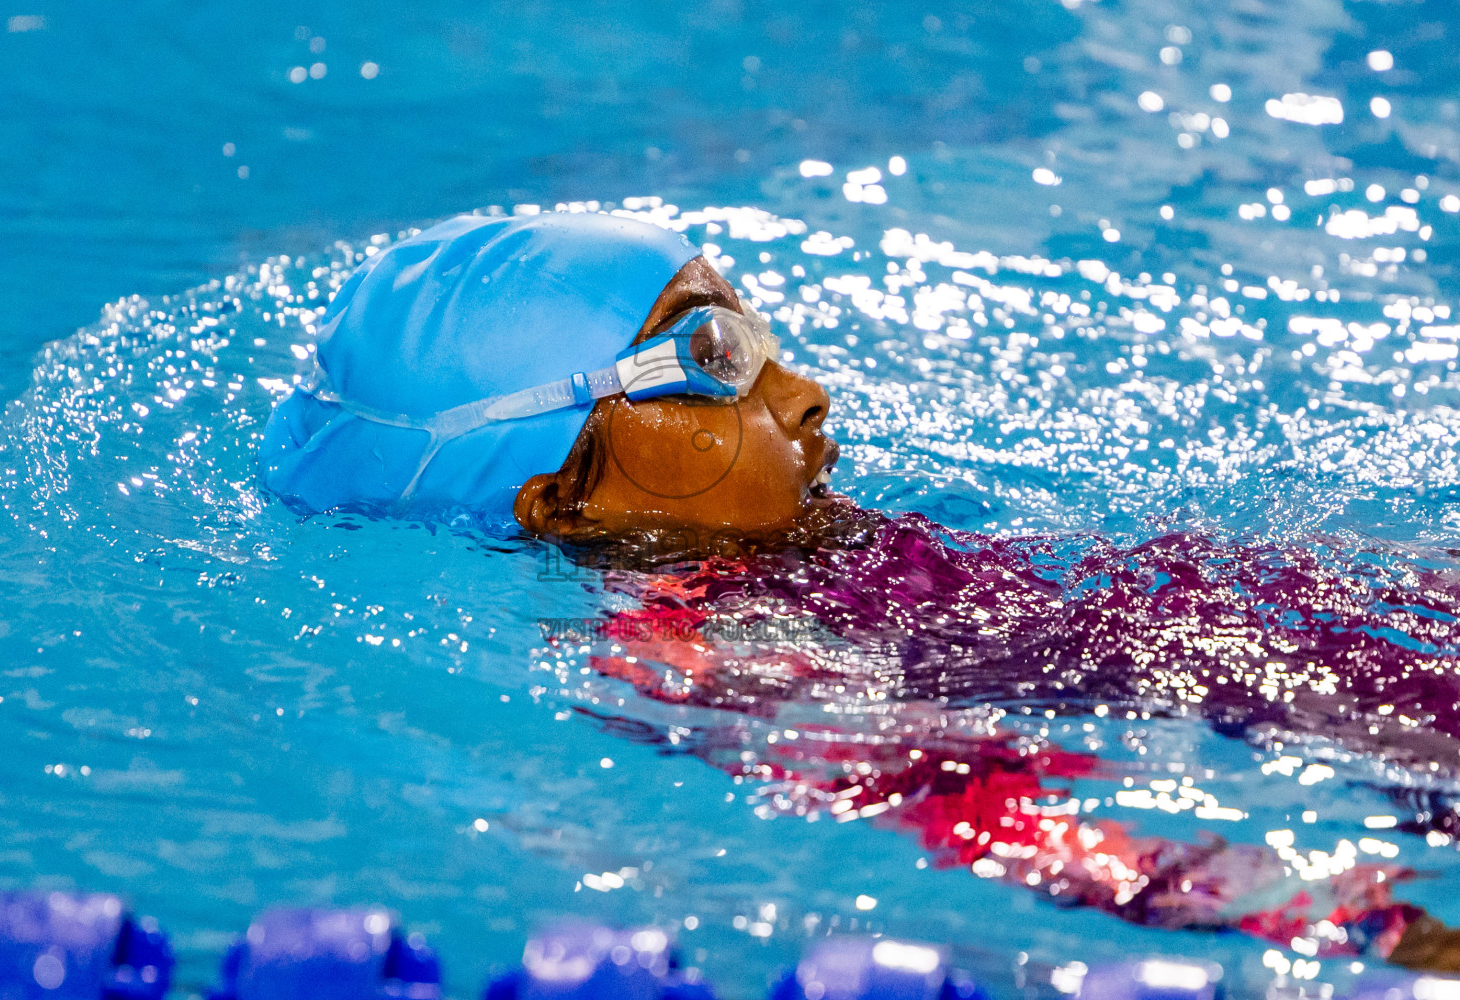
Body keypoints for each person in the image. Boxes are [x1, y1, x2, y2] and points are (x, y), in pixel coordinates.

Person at [262, 211, 1460, 970]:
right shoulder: (692, 656)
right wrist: (1366, 924)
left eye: (753, 329)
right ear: (557, 497)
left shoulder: (814, 537)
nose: (803, 391)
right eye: (711, 359)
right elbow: (999, 821)